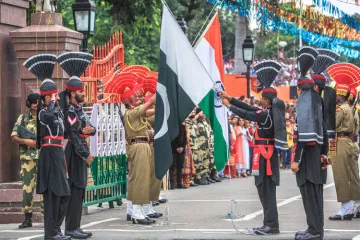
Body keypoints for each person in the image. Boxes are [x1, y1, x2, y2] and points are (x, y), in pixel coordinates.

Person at [220, 60, 287, 235]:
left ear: (266, 100)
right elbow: (250, 108)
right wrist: (231, 98)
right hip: (265, 156)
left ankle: (271, 225)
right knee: (265, 190)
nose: (260, 100)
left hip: (265, 156)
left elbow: (248, 113)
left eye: (262, 98)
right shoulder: (269, 113)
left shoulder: (265, 115)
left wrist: (230, 107)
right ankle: (269, 223)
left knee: (266, 191)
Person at [24, 53, 71, 240]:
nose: (56, 98)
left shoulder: (57, 112)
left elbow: (65, 131)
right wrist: (50, 102)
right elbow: (49, 117)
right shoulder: (43, 113)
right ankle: (51, 234)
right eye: (53, 96)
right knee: (52, 198)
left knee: (64, 195)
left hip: (58, 154)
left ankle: (56, 229)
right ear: (47, 98)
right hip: (49, 155)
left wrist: (63, 102)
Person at [57, 51, 96, 239]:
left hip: (80, 150)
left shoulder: (79, 110)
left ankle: (76, 226)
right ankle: (71, 228)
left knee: (80, 190)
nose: (83, 93)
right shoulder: (70, 112)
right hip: (74, 152)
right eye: (80, 91)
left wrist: (90, 130)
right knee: (75, 190)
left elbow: (91, 127)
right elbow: (73, 136)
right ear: (73, 94)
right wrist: (85, 154)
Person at [291, 45, 325, 240]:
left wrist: (296, 159)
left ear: (299, 88)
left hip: (307, 158)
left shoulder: (305, 101)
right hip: (315, 156)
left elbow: (303, 135)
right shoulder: (316, 100)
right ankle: (315, 229)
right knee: (315, 195)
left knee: (309, 194)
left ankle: (314, 231)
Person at [122, 81, 157, 225]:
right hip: (139, 146)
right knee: (140, 179)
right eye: (136, 99)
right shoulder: (131, 113)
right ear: (130, 103)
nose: (140, 100)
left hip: (142, 146)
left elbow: (152, 110)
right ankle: (137, 211)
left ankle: (136, 210)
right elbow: (149, 105)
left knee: (139, 179)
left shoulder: (137, 114)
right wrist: (159, 91)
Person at [328, 83, 360, 221]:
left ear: (341, 95)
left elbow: (332, 124)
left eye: (337, 93)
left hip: (341, 142)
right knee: (353, 176)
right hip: (351, 143)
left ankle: (345, 209)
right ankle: (354, 205)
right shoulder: (352, 109)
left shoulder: (341, 109)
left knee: (341, 175)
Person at [11, 93, 42, 229]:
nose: (36, 104)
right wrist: (26, 141)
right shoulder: (23, 118)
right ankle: (27, 218)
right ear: (28, 104)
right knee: (27, 189)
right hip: (27, 159)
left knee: (45, 188)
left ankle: (48, 217)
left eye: (38, 102)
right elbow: (13, 136)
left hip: (43, 158)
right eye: (33, 102)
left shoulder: (44, 117)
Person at [195, 108, 214, 185]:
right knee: (199, 162)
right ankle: (198, 177)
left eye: (204, 113)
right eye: (202, 113)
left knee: (206, 162)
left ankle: (205, 176)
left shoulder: (205, 122)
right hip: (199, 145)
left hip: (207, 145)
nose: (203, 115)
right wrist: (197, 115)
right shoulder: (196, 122)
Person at [170, 123, 187, 189]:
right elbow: (171, 138)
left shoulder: (183, 127)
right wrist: (176, 148)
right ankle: (172, 183)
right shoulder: (172, 126)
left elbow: (185, 138)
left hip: (181, 150)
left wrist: (182, 147)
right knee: (172, 166)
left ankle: (179, 183)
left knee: (180, 166)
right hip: (173, 149)